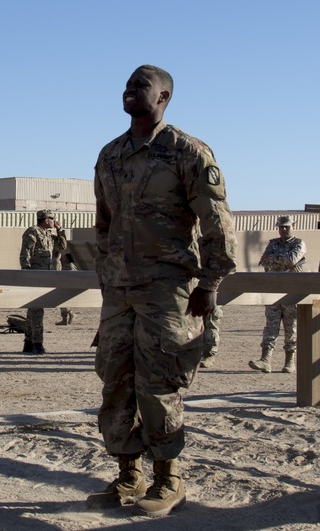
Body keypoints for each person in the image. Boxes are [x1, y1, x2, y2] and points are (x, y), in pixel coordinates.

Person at [90, 65, 237, 518]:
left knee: (159, 384)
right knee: (116, 381)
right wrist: (107, 275)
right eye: (128, 85)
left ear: (164, 97)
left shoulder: (186, 152)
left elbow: (217, 221)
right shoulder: (110, 155)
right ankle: (128, 474)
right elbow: (104, 223)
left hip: (167, 289)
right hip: (120, 290)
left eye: (142, 87)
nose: (130, 92)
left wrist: (210, 283)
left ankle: (168, 479)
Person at [249, 216, 306, 374]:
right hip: (273, 291)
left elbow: (293, 259)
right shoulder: (273, 243)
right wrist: (284, 261)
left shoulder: (298, 243)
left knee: (291, 328)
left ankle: (289, 361)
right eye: (281, 227)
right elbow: (264, 262)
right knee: (270, 326)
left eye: (286, 226)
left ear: (293, 226)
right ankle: (265, 360)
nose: (284, 229)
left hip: (291, 292)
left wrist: (273, 259)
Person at [19, 209, 67, 354]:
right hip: (35, 275)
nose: (54, 221)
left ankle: (28, 342)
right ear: (46, 219)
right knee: (37, 310)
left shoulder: (47, 234)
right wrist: (26, 271)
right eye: (52, 219)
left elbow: (62, 246)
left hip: (44, 275)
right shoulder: (33, 232)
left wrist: (61, 231)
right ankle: (37, 343)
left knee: (33, 310)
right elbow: (25, 252)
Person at [55, 252, 77, 325]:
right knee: (63, 304)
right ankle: (68, 316)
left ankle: (68, 317)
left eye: (65, 257)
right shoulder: (69, 266)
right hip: (65, 287)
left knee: (63, 303)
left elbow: (70, 277)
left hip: (67, 287)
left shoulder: (69, 267)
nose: (63, 259)